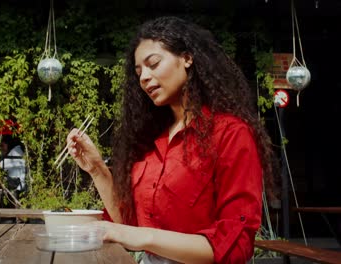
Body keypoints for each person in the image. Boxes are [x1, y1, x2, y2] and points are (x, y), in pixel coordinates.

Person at [65, 16, 277, 264]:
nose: (144, 77)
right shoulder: (151, 141)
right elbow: (131, 224)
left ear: (187, 58)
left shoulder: (230, 133)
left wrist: (142, 237)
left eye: (153, 64)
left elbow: (237, 245)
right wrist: (97, 169)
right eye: (138, 71)